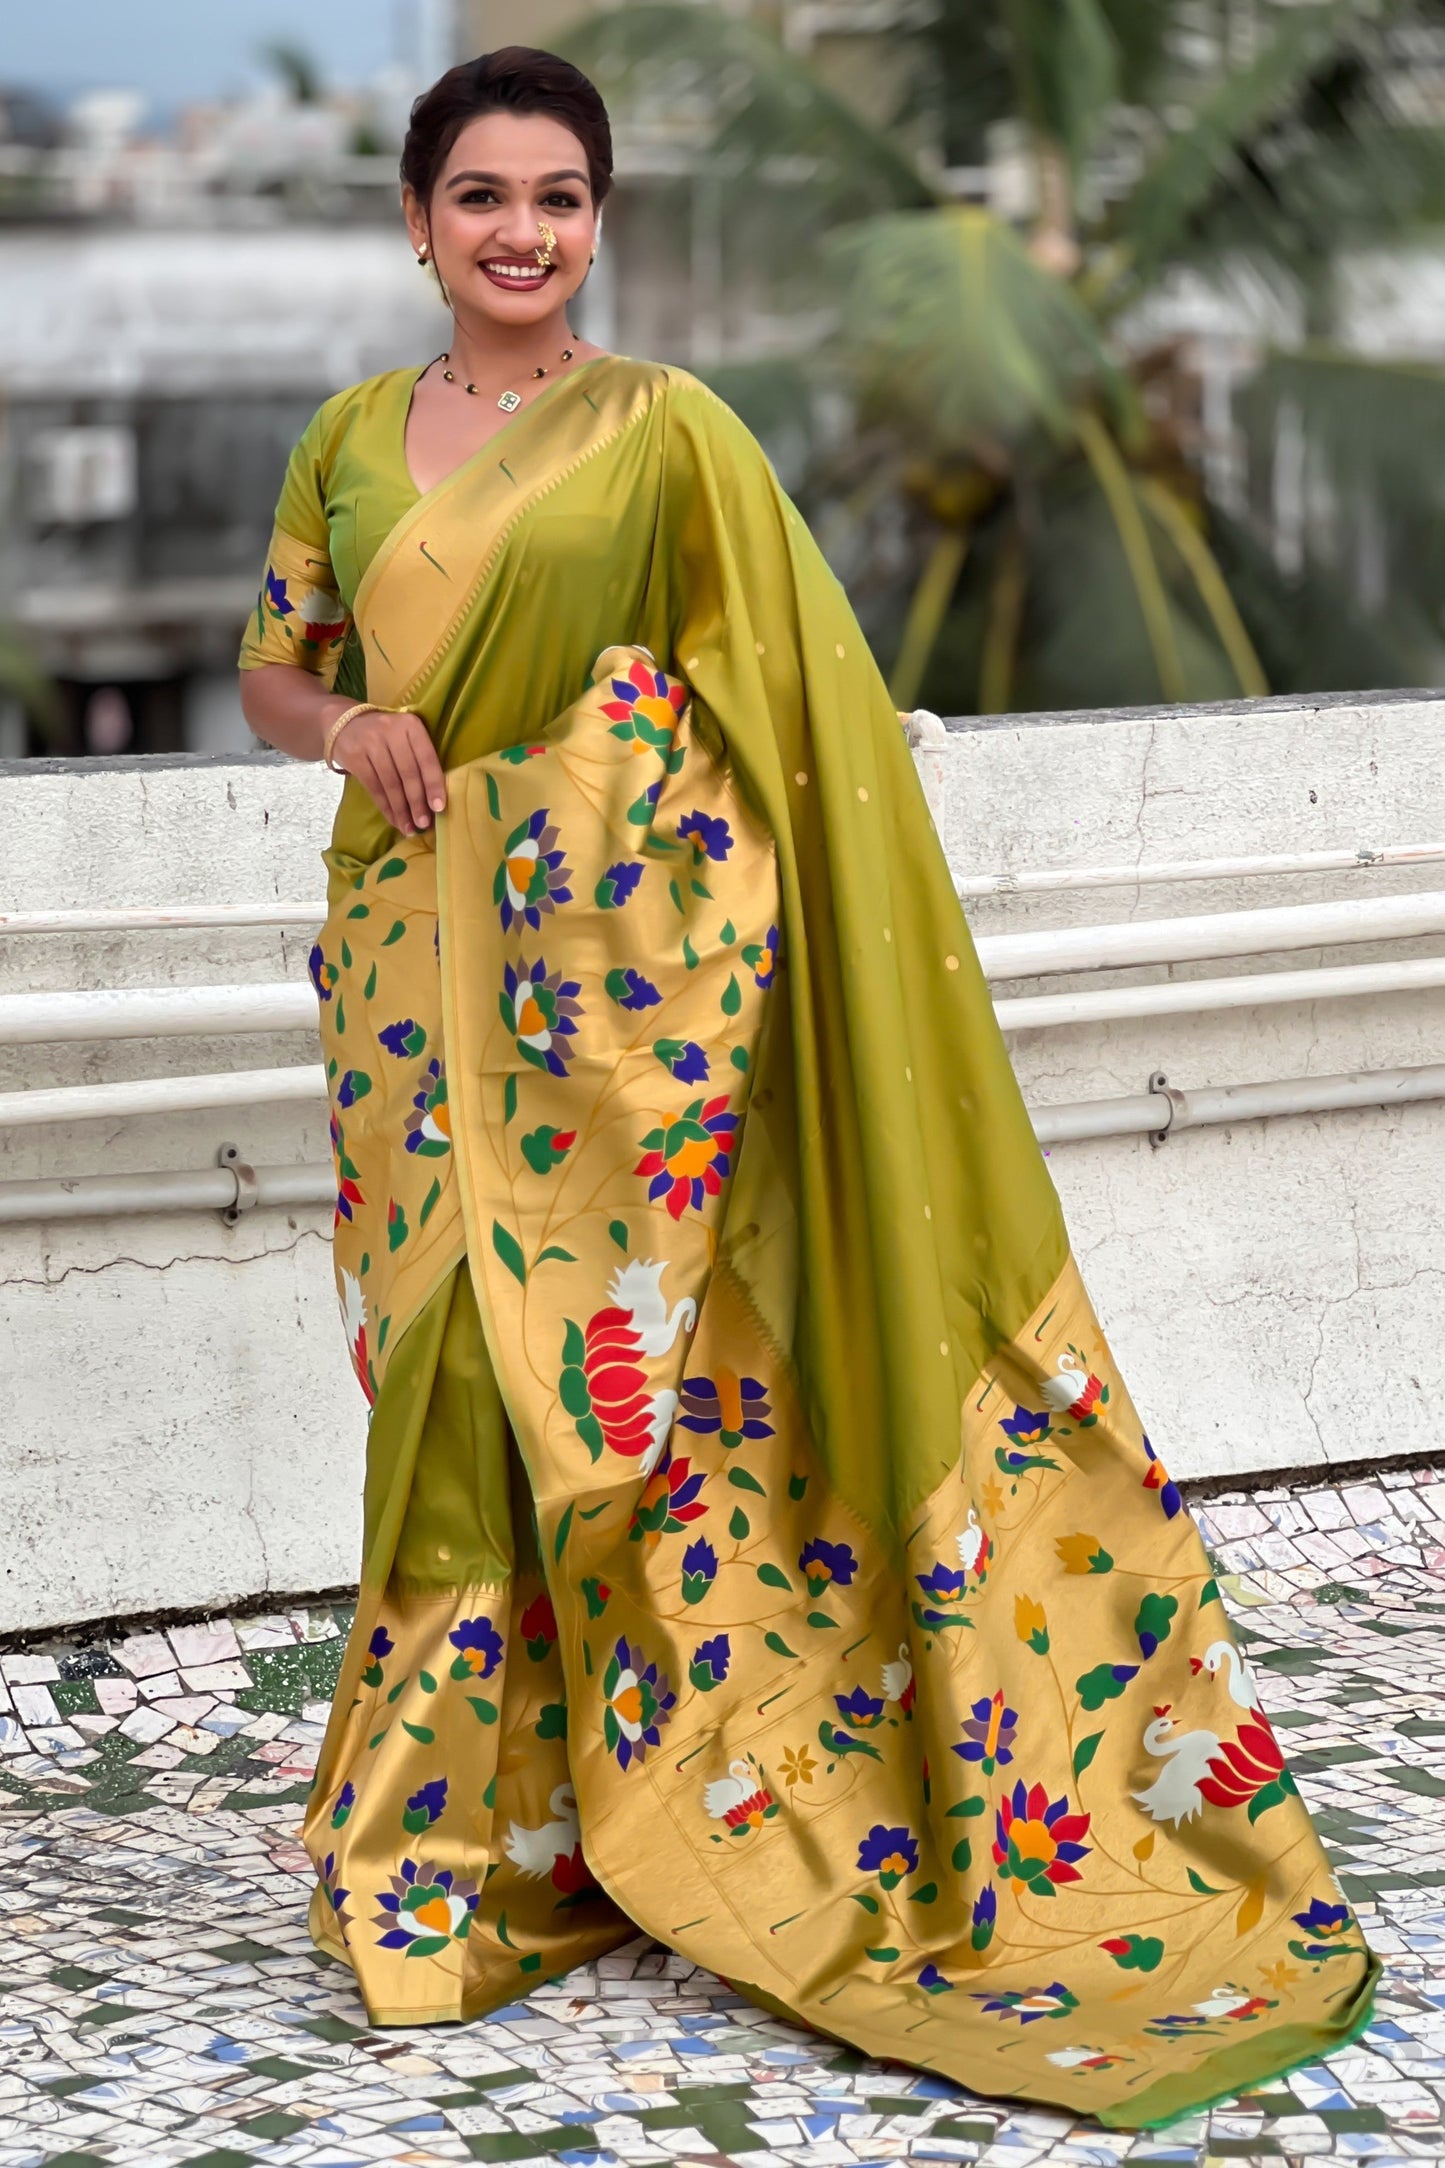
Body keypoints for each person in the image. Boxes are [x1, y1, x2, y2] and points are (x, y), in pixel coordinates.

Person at [238, 44, 1376, 2128]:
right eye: (480, 194)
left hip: (609, 1004)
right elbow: (277, 660)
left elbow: (769, 704)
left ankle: (594, 1821)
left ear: (600, 223)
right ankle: (464, 1849)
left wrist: (592, 793)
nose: (518, 230)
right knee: (437, 1385)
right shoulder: (344, 437)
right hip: (403, 975)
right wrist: (342, 733)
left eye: (557, 197)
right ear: (417, 220)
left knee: (598, 1389)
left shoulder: (668, 438)